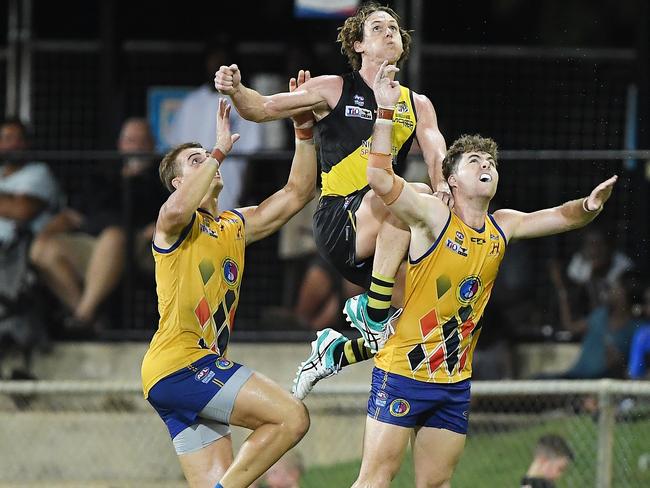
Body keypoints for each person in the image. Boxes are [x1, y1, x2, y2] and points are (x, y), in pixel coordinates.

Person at [325, 61, 616, 488]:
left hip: (454, 382)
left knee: (437, 484)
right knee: (375, 480)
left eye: (491, 162)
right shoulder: (431, 216)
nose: (486, 165)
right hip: (403, 371)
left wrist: (588, 207)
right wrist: (385, 112)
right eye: (475, 160)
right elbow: (378, 178)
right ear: (452, 178)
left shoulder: (504, 224)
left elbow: (558, 217)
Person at [215, 2, 447, 360]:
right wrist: (236, 89)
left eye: (394, 28)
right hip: (341, 220)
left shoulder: (418, 104)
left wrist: (445, 189)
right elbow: (262, 108)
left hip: (385, 231)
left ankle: (336, 353)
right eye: (378, 28)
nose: (389, 33)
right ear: (358, 45)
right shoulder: (333, 88)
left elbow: (436, 157)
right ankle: (372, 313)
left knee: (418, 324)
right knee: (412, 192)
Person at [141, 71, 317, 488]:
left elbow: (298, 193)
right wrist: (218, 150)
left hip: (183, 375)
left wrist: (303, 126)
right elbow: (172, 212)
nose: (208, 162)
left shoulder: (234, 225)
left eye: (208, 156)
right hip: (182, 365)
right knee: (292, 417)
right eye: (194, 160)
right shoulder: (175, 225)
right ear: (179, 183)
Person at [29, 118, 165, 333]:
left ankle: (82, 317)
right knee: (41, 249)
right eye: (130, 140)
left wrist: (158, 227)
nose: (136, 146)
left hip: (138, 244)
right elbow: (72, 214)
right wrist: (45, 233)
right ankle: (89, 319)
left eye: (142, 140)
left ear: (152, 145)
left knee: (113, 236)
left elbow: (179, 211)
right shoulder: (103, 176)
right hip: (91, 242)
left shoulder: (163, 177)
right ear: (120, 145)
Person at [170, 41, 262, 213]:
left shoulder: (242, 101)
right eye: (213, 59)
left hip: (229, 182)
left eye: (222, 60)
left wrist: (244, 195)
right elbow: (174, 150)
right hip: (191, 184)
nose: (217, 65)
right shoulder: (191, 102)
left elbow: (251, 154)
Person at [0, 118, 62, 377]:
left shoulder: (38, 172)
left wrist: (12, 203)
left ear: (26, 143)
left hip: (17, 253)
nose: (11, 144)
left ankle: (18, 361)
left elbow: (22, 209)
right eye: (5, 138)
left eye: (16, 138)